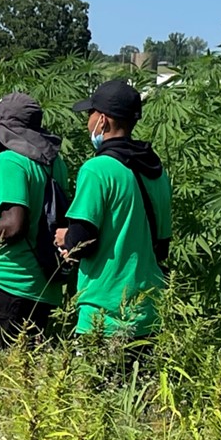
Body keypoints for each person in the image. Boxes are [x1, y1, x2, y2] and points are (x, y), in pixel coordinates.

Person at [55, 80, 172, 343]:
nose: (88, 121)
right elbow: (162, 246)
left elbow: (82, 242)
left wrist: (66, 238)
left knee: (93, 385)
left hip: (103, 315)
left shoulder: (97, 170)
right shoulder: (156, 172)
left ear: (103, 121)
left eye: (90, 114)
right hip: (148, 313)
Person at [0, 92, 69, 348]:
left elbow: (13, 225)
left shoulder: (9, 161)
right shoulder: (54, 164)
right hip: (44, 287)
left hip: (6, 282)